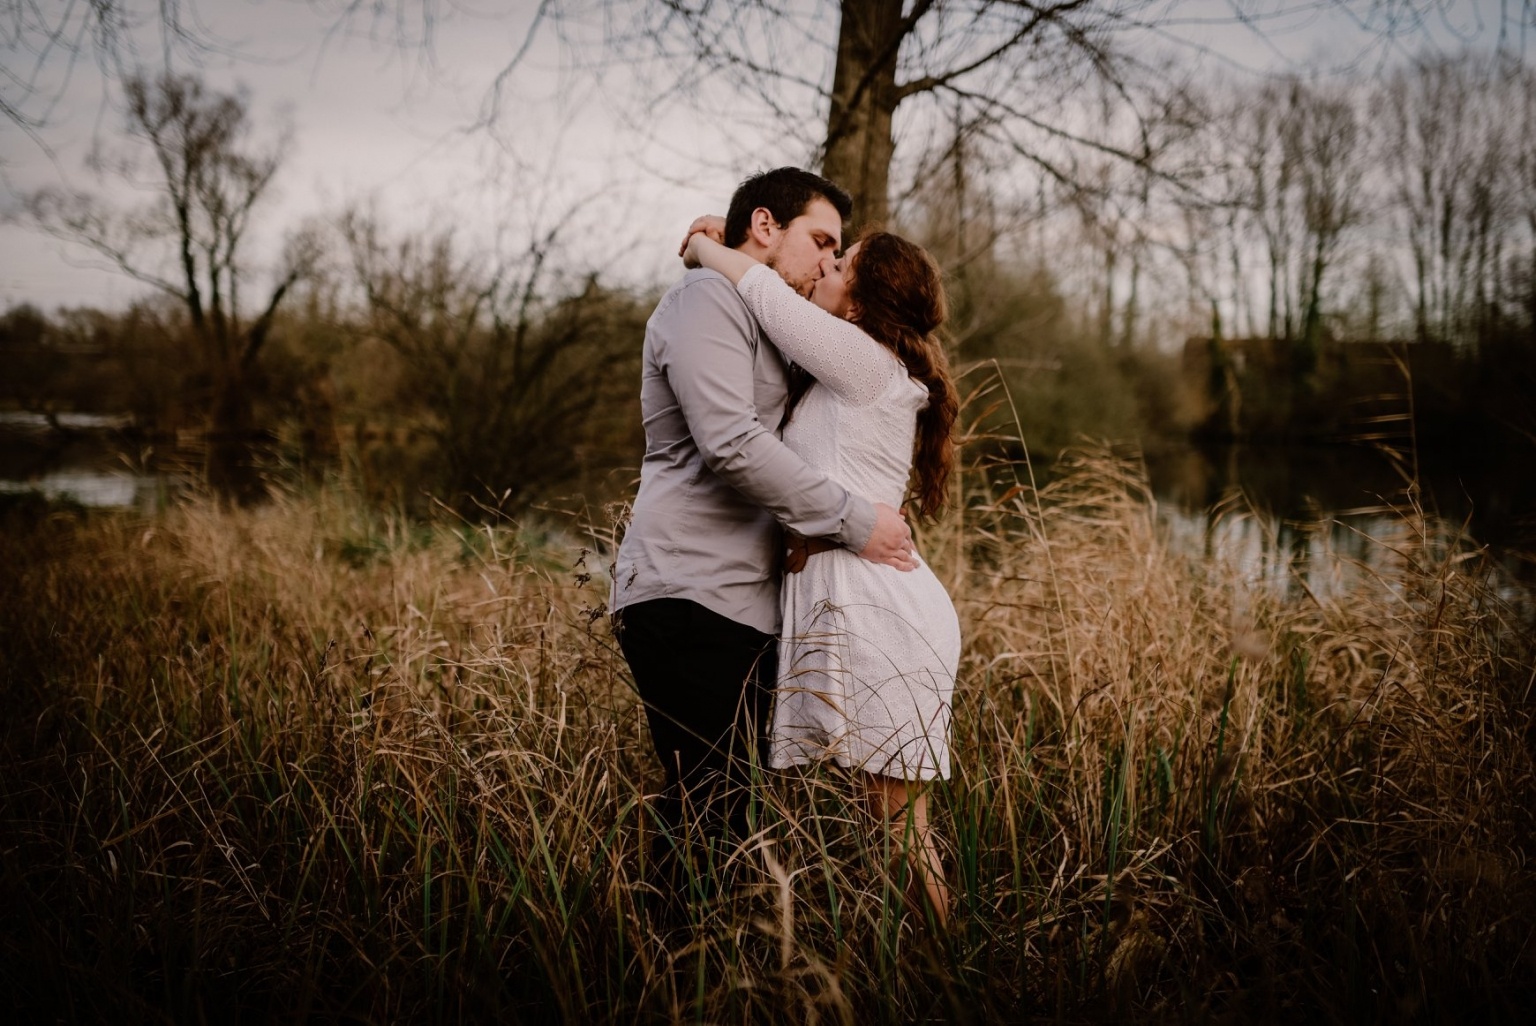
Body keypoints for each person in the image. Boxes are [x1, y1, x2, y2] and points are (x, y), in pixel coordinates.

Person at [609, 168, 917, 913]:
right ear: (765, 226)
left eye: (837, 251)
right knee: (709, 814)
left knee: (725, 817)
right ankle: (671, 982)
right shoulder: (705, 301)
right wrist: (855, 521)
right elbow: (731, 445)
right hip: (687, 595)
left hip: (745, 611)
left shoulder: (776, 324)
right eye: (821, 242)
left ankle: (706, 975)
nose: (825, 263)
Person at [681, 221, 962, 926]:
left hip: (879, 609)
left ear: (863, 304)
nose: (828, 266)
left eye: (845, 263)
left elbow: (769, 299)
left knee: (898, 833)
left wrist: (700, 247)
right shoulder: (849, 368)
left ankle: (952, 980)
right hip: (852, 597)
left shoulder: (865, 361)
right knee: (887, 832)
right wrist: (746, 240)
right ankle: (919, 975)